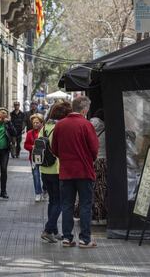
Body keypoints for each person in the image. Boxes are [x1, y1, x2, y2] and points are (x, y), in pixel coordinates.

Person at [51, 96, 99, 248]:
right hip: (84, 171)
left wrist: (65, 159)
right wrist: (87, 158)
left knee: (67, 205)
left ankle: (67, 238)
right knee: (85, 205)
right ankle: (85, 239)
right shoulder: (86, 125)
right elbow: (94, 149)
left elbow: (54, 148)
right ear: (84, 109)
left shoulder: (60, 125)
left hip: (66, 171)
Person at [40, 102, 72, 243]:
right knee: (59, 202)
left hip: (44, 168)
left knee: (52, 201)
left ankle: (54, 231)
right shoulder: (61, 128)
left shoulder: (45, 127)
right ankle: (48, 230)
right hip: (57, 169)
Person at [89, 109, 107, 224]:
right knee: (102, 189)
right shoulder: (106, 131)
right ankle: (101, 216)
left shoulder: (89, 128)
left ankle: (92, 216)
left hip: (91, 161)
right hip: (103, 161)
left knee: (91, 188)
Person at [24, 113, 45, 202]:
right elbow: (25, 145)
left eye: (37, 122)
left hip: (45, 158)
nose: (35, 124)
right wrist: (31, 147)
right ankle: (38, 193)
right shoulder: (29, 133)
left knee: (45, 176)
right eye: (34, 123)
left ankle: (45, 191)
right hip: (34, 158)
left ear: (41, 123)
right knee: (36, 175)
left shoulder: (45, 132)